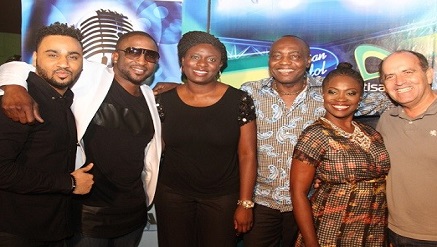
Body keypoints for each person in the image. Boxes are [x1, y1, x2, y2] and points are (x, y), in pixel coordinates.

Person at [0, 30, 162, 247]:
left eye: (150, 55)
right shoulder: (90, 76)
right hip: (88, 212)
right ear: (116, 56)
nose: (142, 60)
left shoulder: (150, 96)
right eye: (133, 51)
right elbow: (22, 67)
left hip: (132, 212)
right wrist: (13, 86)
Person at [239, 35, 391, 247]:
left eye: (294, 56)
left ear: (309, 60)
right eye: (277, 56)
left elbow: (390, 100)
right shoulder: (250, 92)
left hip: (310, 204)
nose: (285, 62)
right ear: (269, 59)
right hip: (262, 200)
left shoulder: (329, 91)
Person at [153, 31, 257, 247]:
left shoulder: (239, 100)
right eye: (195, 57)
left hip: (222, 198)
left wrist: (245, 203)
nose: (202, 64)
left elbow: (247, 154)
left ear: (220, 66)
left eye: (212, 59)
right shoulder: (162, 100)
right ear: (183, 61)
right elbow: (155, 149)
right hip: (172, 195)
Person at [0, 22, 94, 246]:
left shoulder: (65, 100)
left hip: (54, 227)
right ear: (34, 59)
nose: (64, 63)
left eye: (73, 56)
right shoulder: (20, 102)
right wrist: (69, 183)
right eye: (53, 55)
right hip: (18, 231)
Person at [290, 62, 390, 246]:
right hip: (331, 231)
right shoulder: (315, 135)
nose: (341, 99)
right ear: (323, 94)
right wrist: (312, 244)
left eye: (350, 93)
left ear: (360, 97)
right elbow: (298, 194)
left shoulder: (372, 133)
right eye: (333, 92)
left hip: (374, 231)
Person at [377, 50, 437, 246]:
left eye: (407, 72)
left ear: (429, 75)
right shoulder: (387, 119)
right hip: (396, 231)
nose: (399, 81)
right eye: (390, 76)